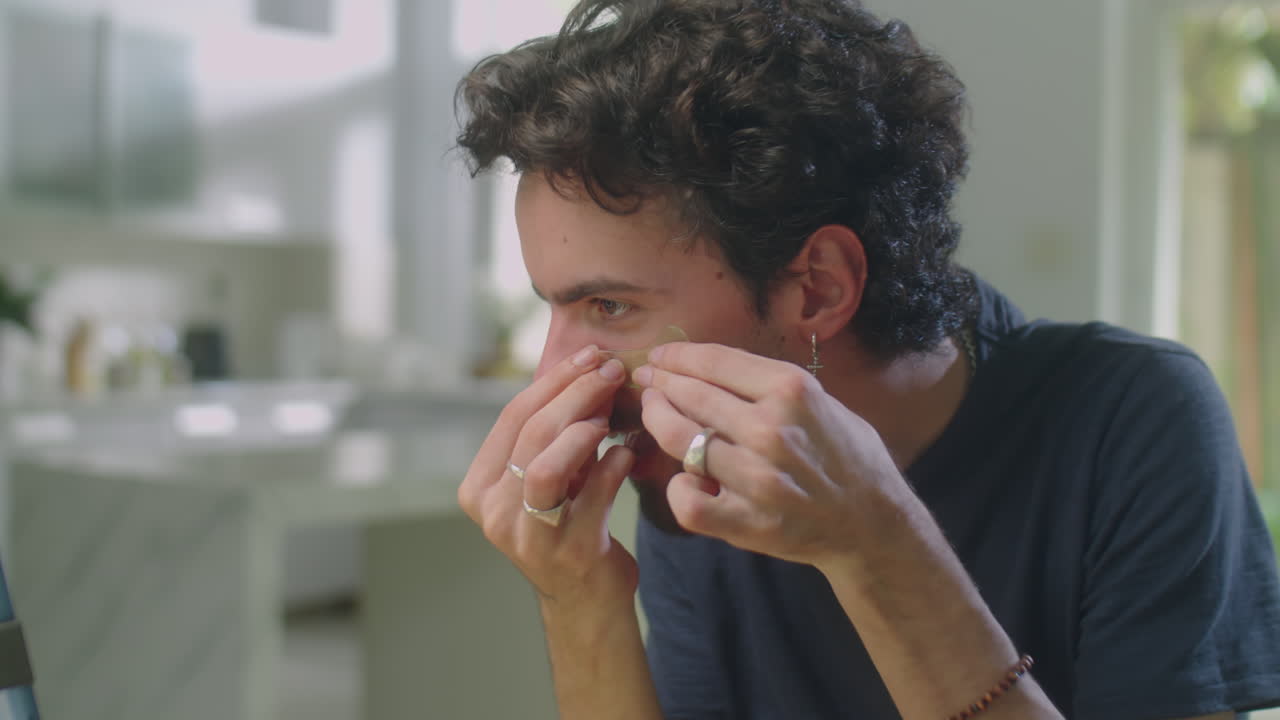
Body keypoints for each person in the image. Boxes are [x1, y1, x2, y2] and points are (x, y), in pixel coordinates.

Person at [453, 1, 1280, 718]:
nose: (555, 374)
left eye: (609, 307)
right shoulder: (689, 466)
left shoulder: (1135, 419)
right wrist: (581, 604)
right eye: (553, 308)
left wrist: (880, 545)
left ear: (816, 288)